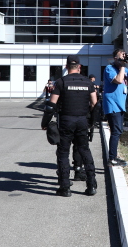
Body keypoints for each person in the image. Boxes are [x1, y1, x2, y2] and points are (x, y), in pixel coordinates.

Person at [42, 55, 98, 197]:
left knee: (63, 153)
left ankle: (65, 188)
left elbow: (51, 105)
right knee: (85, 151)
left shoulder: (61, 82)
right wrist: (92, 122)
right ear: (79, 67)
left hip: (66, 121)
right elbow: (94, 104)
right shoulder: (88, 83)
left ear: (66, 67)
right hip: (82, 121)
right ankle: (91, 185)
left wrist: (45, 123)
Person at [103, 48, 128, 167]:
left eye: (125, 56)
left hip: (120, 106)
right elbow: (118, 80)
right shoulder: (110, 69)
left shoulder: (122, 69)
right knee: (116, 131)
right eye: (121, 56)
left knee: (117, 131)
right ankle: (112, 159)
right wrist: (123, 65)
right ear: (115, 59)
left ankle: (113, 157)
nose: (124, 58)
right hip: (112, 105)